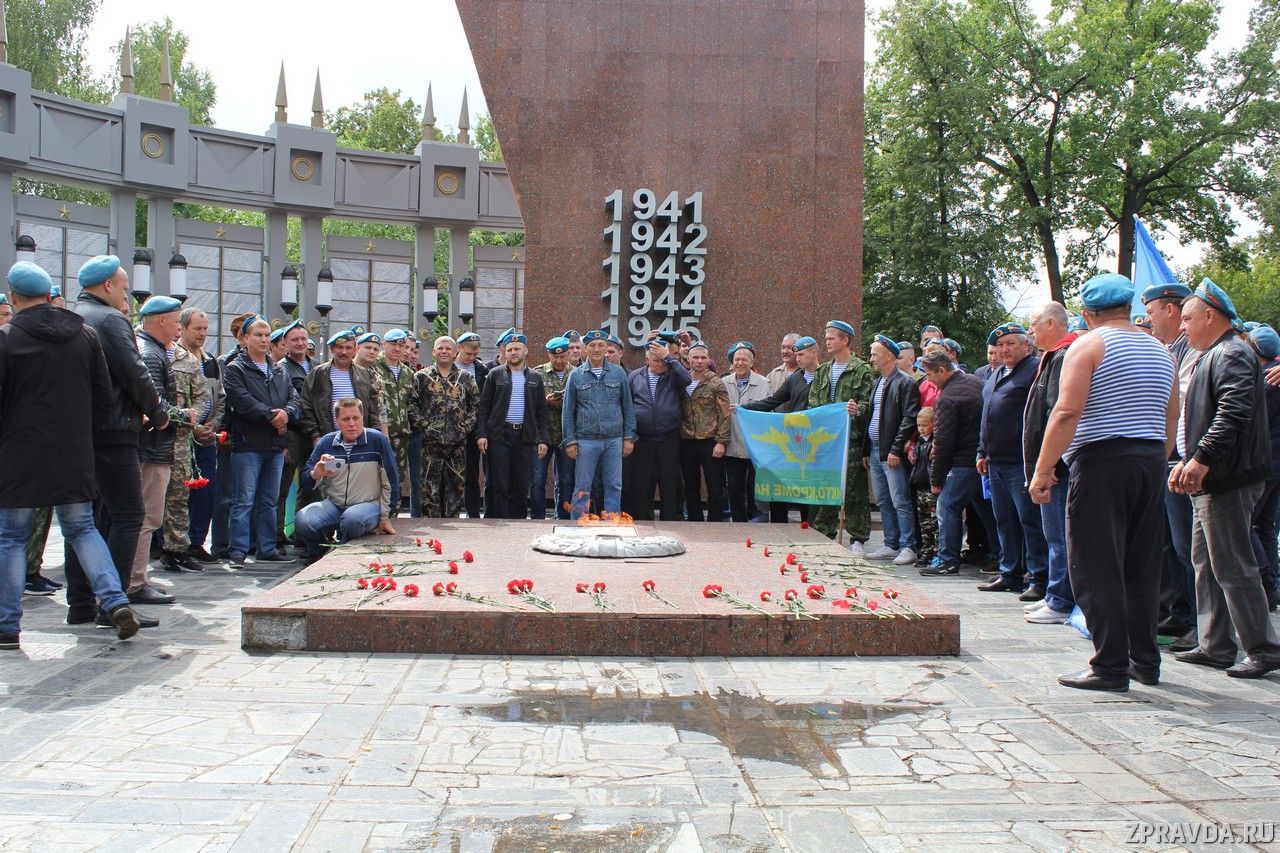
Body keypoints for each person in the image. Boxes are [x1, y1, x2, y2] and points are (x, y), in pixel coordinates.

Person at [1030, 273, 1177, 692]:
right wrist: (1152, 460)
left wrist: (1043, 471)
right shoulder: (1160, 350)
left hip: (1102, 461)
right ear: (1128, 307)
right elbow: (1171, 417)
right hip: (1150, 460)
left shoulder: (1089, 345)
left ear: (1087, 312)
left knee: (1095, 566)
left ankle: (1109, 665)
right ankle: (1144, 661)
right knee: (1141, 565)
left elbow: (1065, 412)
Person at [0, 262, 139, 648]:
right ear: (49, 295)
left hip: (19, 453)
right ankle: (114, 601)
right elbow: (103, 401)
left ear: (13, 298)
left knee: (11, 538)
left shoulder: (6, 338)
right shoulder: (86, 335)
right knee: (83, 529)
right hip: (75, 451)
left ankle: (7, 626)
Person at [1170, 281, 1280, 679]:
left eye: (1187, 318)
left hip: (1227, 478)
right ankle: (1216, 644)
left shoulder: (1231, 352)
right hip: (1214, 477)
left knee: (1233, 565)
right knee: (1206, 561)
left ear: (1210, 316)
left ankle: (1263, 649)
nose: (1182, 327)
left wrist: (1199, 459)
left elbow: (1232, 414)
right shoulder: (1216, 352)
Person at [65, 256, 168, 630]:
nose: (126, 295)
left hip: (80, 433)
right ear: (108, 285)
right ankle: (116, 601)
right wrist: (157, 411)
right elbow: (134, 372)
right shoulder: (110, 319)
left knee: (86, 521)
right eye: (124, 288)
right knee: (128, 515)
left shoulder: (73, 315)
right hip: (114, 431)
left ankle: (79, 604)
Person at [975, 322, 1048, 600]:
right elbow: (988, 415)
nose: (1004, 350)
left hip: (1021, 460)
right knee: (1004, 519)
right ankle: (1010, 573)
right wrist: (982, 451)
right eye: (1000, 345)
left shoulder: (1034, 369)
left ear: (1027, 346)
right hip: (995, 460)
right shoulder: (996, 373)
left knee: (1028, 520)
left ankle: (1039, 577)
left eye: (1011, 344)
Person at [1143, 282, 1198, 642]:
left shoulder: (1195, 352)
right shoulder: (1167, 351)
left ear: (1171, 311)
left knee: (1190, 549)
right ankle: (1180, 612)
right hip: (1167, 460)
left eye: (1151, 312)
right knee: (1169, 545)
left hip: (1190, 461)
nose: (1148, 319)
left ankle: (1201, 622)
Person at [222, 315, 301, 566]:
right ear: (245, 338)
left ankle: (267, 547)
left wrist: (286, 413)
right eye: (258, 334)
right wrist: (273, 416)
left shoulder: (279, 369)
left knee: (269, 499)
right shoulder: (235, 368)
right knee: (243, 500)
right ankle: (238, 549)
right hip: (248, 444)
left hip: (275, 446)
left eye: (267, 335)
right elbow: (242, 401)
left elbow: (294, 399)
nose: (264, 339)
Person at [131, 295, 194, 605]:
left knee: (149, 516)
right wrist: (185, 415)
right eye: (176, 321)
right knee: (147, 517)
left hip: (155, 447)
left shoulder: (154, 351)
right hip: (151, 449)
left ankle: (137, 576)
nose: (179, 328)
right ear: (160, 321)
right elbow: (153, 404)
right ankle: (135, 582)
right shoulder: (151, 355)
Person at [1022, 302, 1079, 624]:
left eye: (1034, 324)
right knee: (1053, 534)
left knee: (1059, 535)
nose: (1031, 331)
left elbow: (1059, 413)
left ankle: (1060, 601)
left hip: (1058, 469)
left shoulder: (1064, 355)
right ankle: (1054, 594)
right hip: (1050, 465)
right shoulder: (1053, 356)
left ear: (1052, 323)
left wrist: (1051, 465)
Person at [919, 351, 995, 576]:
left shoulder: (947, 397)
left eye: (930, 374)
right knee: (988, 511)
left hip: (962, 462)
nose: (928, 380)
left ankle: (947, 560)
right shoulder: (976, 381)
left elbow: (942, 443)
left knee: (947, 506)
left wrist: (936, 479)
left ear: (942, 370)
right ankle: (1000, 556)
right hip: (981, 458)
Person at [296, 399, 398, 562]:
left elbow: (392, 481)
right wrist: (317, 473)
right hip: (335, 504)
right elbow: (305, 480)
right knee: (303, 519)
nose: (352, 424)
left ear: (362, 418)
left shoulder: (377, 440)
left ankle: (337, 554)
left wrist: (385, 516)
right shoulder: (326, 442)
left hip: (368, 505)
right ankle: (319, 553)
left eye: (356, 418)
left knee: (352, 519)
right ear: (337, 421)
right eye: (345, 419)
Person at [808, 320, 874, 554]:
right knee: (826, 486)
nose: (826, 342)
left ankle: (858, 538)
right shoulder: (823, 370)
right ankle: (825, 532)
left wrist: (859, 410)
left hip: (851, 439)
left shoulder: (863, 369)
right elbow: (814, 402)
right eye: (826, 338)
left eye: (831, 338)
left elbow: (870, 403)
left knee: (854, 489)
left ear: (845, 340)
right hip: (827, 440)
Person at [159, 306, 214, 574]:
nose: (202, 334)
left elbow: (203, 394)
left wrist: (193, 419)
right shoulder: (149, 354)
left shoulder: (188, 361)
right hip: (150, 438)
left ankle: (176, 550)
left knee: (179, 496)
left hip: (181, 439)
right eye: (197, 328)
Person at [743, 335, 820, 523]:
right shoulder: (795, 379)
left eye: (801, 354)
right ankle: (780, 527)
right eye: (796, 354)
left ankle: (810, 527)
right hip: (794, 440)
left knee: (810, 488)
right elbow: (773, 401)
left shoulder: (825, 375)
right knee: (784, 484)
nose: (798, 358)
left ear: (814, 353)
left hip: (817, 442)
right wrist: (743, 408)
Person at [475, 332, 550, 519]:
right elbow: (484, 406)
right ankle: (501, 522)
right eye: (509, 350)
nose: (513, 352)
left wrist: (543, 440)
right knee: (500, 484)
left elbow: (541, 411)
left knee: (521, 485)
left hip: (525, 437)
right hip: (500, 435)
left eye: (517, 349)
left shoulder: (535, 377)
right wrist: (481, 434)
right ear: (504, 352)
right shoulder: (494, 374)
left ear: (525, 351)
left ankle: (518, 523)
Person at [563, 329, 636, 518]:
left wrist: (629, 437)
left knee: (614, 484)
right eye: (592, 345)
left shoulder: (619, 373)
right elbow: (567, 412)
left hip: (614, 439)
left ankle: (612, 521)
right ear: (585, 349)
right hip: (585, 440)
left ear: (606, 349)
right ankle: (578, 523)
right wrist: (570, 441)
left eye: (601, 345)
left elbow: (628, 407)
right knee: (582, 486)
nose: (597, 349)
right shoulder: (576, 375)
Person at [864, 335, 921, 566]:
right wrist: (867, 450)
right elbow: (873, 418)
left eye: (875, 355)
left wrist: (896, 449)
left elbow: (909, 419)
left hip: (891, 453)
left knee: (900, 500)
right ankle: (891, 543)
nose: (871, 359)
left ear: (889, 356)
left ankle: (909, 546)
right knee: (883, 500)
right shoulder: (878, 382)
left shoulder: (905, 382)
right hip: (877, 452)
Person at [625, 335, 692, 520]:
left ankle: (671, 520)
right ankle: (642, 519)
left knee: (670, 482)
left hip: (668, 438)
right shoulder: (634, 376)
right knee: (643, 483)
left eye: (663, 360)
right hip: (642, 438)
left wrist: (669, 358)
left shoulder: (673, 374)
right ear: (647, 360)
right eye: (656, 360)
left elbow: (687, 380)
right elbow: (628, 407)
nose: (661, 364)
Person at [414, 335, 479, 519]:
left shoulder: (465, 378)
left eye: (448, 348)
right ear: (434, 352)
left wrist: (464, 428)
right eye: (440, 348)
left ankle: (453, 523)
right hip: (430, 443)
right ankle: (431, 523)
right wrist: (425, 427)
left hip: (457, 442)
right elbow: (412, 405)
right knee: (429, 487)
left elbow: (475, 406)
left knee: (456, 487)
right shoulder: (421, 377)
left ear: (455, 351)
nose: (444, 351)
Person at [183, 308, 225, 563]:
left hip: (208, 437)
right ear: (184, 328)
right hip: (183, 438)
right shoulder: (174, 357)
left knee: (208, 492)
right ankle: (175, 543)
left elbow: (220, 397)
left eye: (205, 328)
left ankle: (196, 541)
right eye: (197, 328)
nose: (202, 333)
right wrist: (193, 425)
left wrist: (214, 423)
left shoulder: (211, 361)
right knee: (179, 494)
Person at [300, 326, 382, 447]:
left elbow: (373, 410)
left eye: (348, 348)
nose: (344, 352)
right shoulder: (318, 374)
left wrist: (375, 435)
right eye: (340, 347)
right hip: (328, 440)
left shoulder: (365, 374)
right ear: (332, 349)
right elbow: (306, 407)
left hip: (360, 441)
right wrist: (315, 436)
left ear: (355, 350)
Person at [1247, 325, 1280, 611]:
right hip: (1275, 463)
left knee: (1247, 525)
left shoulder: (1268, 381)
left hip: (1266, 462)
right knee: (1265, 526)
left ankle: (1267, 585)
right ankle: (1273, 587)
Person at [679, 342, 731, 522]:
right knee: (690, 485)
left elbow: (724, 414)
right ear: (688, 359)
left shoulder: (716, 382)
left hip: (710, 442)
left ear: (708, 359)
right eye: (695, 357)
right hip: (686, 440)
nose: (699, 361)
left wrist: (721, 442)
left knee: (715, 486)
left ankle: (715, 522)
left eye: (703, 358)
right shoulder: (682, 380)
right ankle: (695, 520)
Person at [721, 341, 770, 521]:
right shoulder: (723, 382)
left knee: (754, 487)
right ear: (732, 362)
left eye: (744, 360)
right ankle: (738, 522)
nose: (740, 363)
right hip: (732, 444)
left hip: (756, 446)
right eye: (737, 359)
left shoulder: (765, 383)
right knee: (734, 487)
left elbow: (768, 411)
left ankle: (755, 519)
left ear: (752, 362)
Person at [373, 328, 418, 516]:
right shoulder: (373, 367)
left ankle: (393, 516)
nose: (399, 349)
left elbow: (412, 403)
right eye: (394, 345)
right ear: (384, 344)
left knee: (397, 479)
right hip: (380, 435)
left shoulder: (408, 373)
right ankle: (376, 516)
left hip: (402, 436)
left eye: (402, 345)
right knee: (377, 478)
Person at [531, 337, 574, 519]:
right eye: (555, 357)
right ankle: (537, 517)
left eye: (563, 356)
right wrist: (545, 401)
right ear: (548, 354)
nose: (559, 361)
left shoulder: (577, 373)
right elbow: (529, 404)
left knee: (565, 480)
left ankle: (563, 518)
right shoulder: (537, 373)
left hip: (567, 435)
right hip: (543, 435)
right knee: (538, 479)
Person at [455, 332, 490, 517]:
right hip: (448, 430)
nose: (471, 358)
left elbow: (484, 405)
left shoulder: (482, 371)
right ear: (459, 348)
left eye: (475, 354)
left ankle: (473, 513)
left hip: (472, 430)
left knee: (472, 475)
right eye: (468, 354)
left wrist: (480, 432)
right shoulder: (446, 367)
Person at [908, 407, 937, 566]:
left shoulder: (935, 442)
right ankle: (926, 551)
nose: (921, 429)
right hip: (920, 485)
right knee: (923, 522)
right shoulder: (919, 442)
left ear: (933, 424)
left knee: (935, 523)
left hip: (931, 487)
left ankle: (936, 552)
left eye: (925, 425)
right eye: (919, 425)